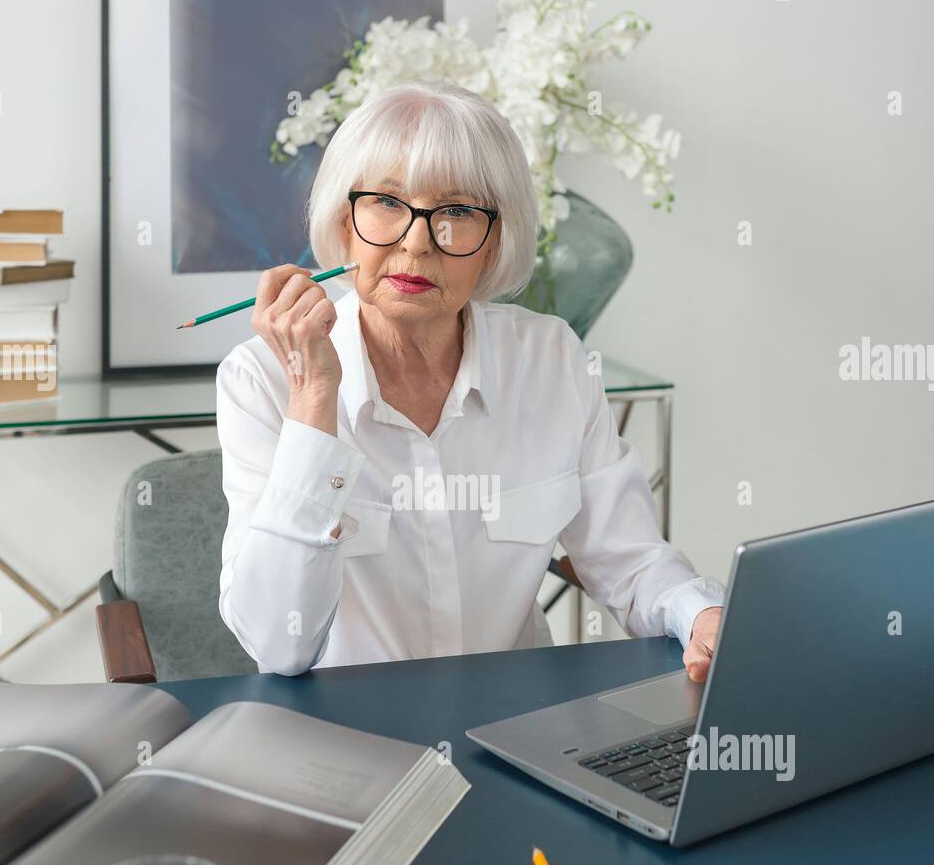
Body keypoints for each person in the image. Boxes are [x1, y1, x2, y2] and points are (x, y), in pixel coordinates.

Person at [215, 81, 724, 677]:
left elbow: (628, 559)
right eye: (386, 201)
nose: (416, 241)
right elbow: (280, 645)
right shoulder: (260, 381)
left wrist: (700, 614)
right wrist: (314, 396)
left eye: (456, 212)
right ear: (343, 221)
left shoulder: (551, 357)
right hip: (347, 739)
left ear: (495, 241)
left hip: (517, 727)